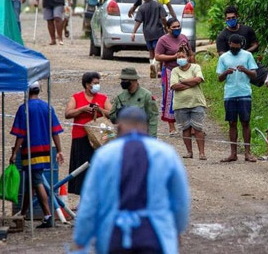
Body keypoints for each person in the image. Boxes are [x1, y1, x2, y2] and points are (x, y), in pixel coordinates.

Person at [72, 106, 190, 254]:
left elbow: (90, 202)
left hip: (113, 237)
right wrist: (176, 230)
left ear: (119, 127)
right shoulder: (166, 153)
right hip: (156, 235)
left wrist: (81, 240)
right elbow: (180, 200)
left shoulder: (105, 155)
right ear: (146, 126)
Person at [9, 82, 64, 228]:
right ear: (39, 90)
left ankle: (48, 215)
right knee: (31, 182)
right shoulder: (48, 107)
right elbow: (55, 131)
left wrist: (15, 152)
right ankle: (23, 213)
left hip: (30, 151)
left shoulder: (24, 109)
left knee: (36, 180)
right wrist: (59, 150)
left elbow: (20, 134)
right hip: (45, 150)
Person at [65, 72, 112, 195]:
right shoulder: (76, 97)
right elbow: (68, 114)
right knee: (82, 168)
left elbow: (112, 114)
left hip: (100, 138)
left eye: (98, 83)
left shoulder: (103, 98)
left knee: (99, 168)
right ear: (87, 85)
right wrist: (82, 109)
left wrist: (100, 110)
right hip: (81, 136)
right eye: (95, 83)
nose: (97, 85)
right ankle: (83, 198)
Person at [216, 34, 258, 162]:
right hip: (230, 94)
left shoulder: (247, 55)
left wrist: (245, 70)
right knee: (232, 123)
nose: (235, 48)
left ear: (241, 45)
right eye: (233, 46)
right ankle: (233, 153)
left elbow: (254, 75)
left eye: (237, 47)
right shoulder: (223, 57)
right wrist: (226, 72)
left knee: (245, 122)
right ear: (229, 44)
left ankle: (247, 153)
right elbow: (219, 78)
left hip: (244, 92)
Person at [155, 18, 194, 135]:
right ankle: (171, 126)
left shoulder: (183, 38)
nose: (177, 29)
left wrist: (194, 67)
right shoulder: (163, 40)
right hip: (170, 70)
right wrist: (174, 57)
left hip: (185, 69)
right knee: (169, 97)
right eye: (174, 27)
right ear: (168, 28)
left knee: (187, 95)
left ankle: (189, 125)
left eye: (178, 26)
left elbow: (190, 53)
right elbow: (157, 56)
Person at [171, 45, 207, 160]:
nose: (180, 58)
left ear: (188, 57)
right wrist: (191, 83)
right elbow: (174, 85)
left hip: (196, 102)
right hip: (180, 104)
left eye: (183, 56)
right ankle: (189, 152)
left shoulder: (195, 67)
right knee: (185, 129)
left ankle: (201, 153)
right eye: (179, 56)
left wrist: (183, 81)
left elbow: (199, 79)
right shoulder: (174, 70)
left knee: (198, 128)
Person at [108, 68, 159, 137]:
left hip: (141, 135)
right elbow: (112, 118)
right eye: (121, 80)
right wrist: (118, 114)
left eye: (124, 80)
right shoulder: (120, 97)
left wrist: (151, 138)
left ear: (133, 80)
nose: (122, 82)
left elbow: (153, 118)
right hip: (124, 136)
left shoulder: (146, 95)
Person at [131, 0, 167, 78]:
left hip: (147, 33)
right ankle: (158, 69)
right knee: (159, 51)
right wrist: (166, 27)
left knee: (151, 51)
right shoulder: (158, 5)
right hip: (158, 32)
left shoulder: (142, 7)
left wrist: (133, 32)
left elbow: (138, 21)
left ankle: (152, 65)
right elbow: (163, 18)